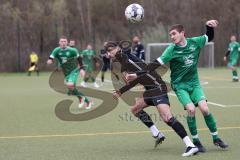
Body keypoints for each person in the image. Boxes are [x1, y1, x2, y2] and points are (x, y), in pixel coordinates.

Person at [145, 20, 228, 152]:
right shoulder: (171, 49)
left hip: (194, 83)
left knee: (205, 109)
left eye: (174, 34)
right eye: (170, 35)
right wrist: (140, 73)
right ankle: (196, 141)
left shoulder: (195, 42)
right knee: (191, 110)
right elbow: (156, 63)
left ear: (182, 33)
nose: (172, 37)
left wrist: (209, 27)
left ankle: (216, 138)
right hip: (180, 85)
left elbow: (209, 37)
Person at [105, 41, 199, 157]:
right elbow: (137, 79)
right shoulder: (122, 61)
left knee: (167, 118)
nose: (109, 54)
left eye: (110, 50)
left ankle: (190, 145)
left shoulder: (125, 56)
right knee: (135, 110)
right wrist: (121, 91)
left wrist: (131, 71)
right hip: (149, 90)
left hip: (158, 88)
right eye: (107, 51)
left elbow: (142, 71)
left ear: (117, 48)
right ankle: (157, 133)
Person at [47, 36, 92, 109]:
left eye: (64, 41)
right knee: (72, 90)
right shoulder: (56, 50)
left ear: (67, 42)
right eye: (62, 41)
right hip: (66, 73)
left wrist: (81, 69)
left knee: (70, 85)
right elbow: (51, 58)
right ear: (59, 43)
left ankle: (82, 99)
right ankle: (86, 101)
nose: (63, 43)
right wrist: (50, 61)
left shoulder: (72, 50)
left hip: (74, 71)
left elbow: (79, 59)